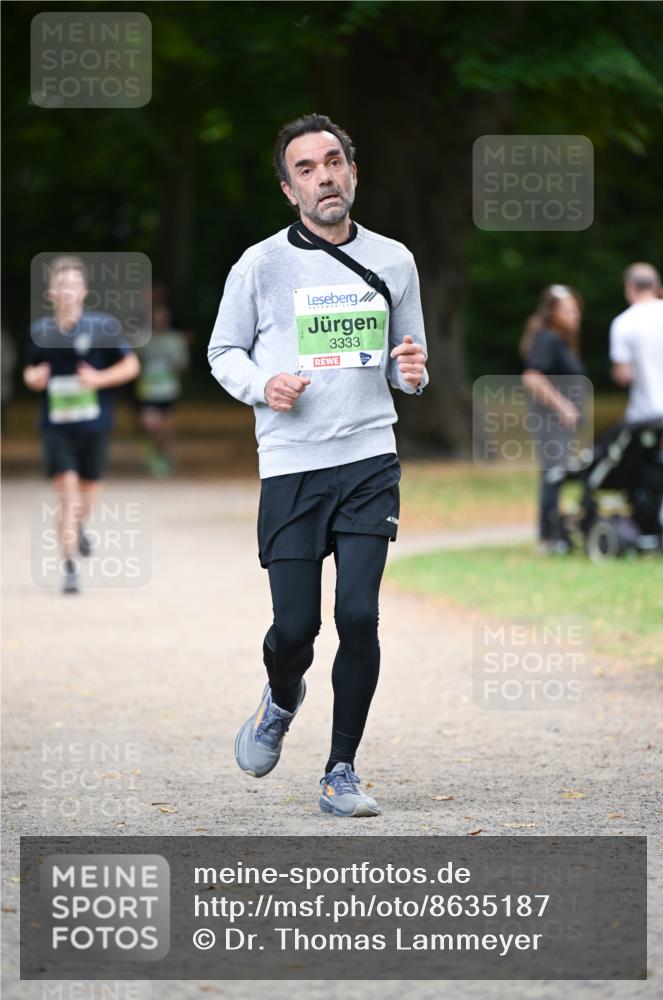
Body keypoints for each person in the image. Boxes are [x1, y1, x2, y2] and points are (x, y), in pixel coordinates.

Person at [207, 113, 428, 817]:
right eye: (306, 168)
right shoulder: (259, 263)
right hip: (292, 463)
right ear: (287, 188)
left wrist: (415, 374)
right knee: (295, 630)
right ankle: (279, 697)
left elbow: (407, 367)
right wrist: (261, 387)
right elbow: (223, 352)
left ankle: (341, 770)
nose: (323, 176)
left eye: (333, 162)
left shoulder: (394, 260)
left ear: (353, 172)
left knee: (358, 615)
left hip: (368, 455)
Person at [23, 256, 139, 594]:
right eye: (61, 284)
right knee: (68, 495)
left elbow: (130, 366)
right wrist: (35, 378)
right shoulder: (41, 331)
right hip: (55, 425)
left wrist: (99, 378)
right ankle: (70, 566)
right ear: (50, 293)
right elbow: (30, 372)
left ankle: (79, 526)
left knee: (88, 496)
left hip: (95, 425)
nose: (67, 290)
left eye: (74, 284)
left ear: (85, 291)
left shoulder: (102, 327)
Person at [520, 284, 587, 554]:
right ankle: (549, 539)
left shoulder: (561, 341)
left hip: (560, 425)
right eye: (567, 310)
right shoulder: (547, 338)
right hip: (551, 422)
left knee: (555, 474)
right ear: (553, 313)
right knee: (553, 474)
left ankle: (556, 535)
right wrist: (563, 407)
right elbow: (532, 377)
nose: (574, 315)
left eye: (576, 310)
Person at [135, 301, 189, 477]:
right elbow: (134, 361)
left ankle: (163, 454)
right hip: (148, 389)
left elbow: (183, 364)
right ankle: (152, 450)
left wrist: (176, 367)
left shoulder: (175, 340)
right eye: (155, 317)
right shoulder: (142, 339)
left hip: (168, 389)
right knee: (151, 424)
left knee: (165, 427)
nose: (159, 320)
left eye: (162, 317)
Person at [610, 262, 663, 423]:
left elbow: (624, 375)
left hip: (645, 414)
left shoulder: (623, 323)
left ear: (629, 287)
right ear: (656, 286)